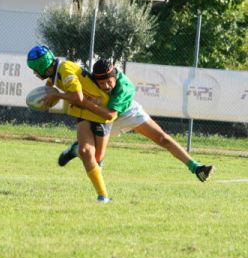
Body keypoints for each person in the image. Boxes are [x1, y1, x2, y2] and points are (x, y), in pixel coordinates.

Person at [58, 58, 215, 182]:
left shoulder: (124, 87)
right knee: (96, 157)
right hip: (101, 116)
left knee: (162, 138)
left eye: (109, 82)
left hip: (125, 113)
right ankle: (76, 150)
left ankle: (196, 168)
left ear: (115, 76)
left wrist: (86, 102)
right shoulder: (91, 80)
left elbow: (111, 115)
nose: (106, 86)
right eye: (101, 83)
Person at [27, 45, 116, 202]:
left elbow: (78, 96)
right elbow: (50, 87)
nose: (34, 74)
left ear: (43, 67)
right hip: (84, 112)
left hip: (100, 110)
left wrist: (57, 95)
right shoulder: (54, 74)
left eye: (35, 69)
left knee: (97, 156)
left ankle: (73, 151)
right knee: (86, 152)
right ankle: (103, 197)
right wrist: (46, 99)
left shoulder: (65, 69)